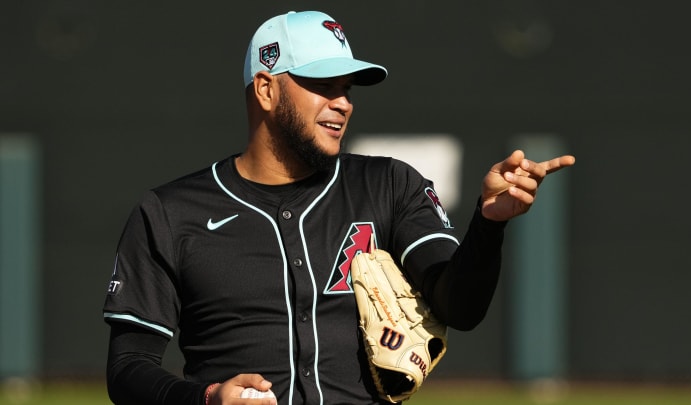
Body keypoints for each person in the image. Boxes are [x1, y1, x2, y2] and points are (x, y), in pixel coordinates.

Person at [102, 10, 575, 405]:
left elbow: (460, 306)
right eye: (323, 84)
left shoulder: (389, 185)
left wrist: (488, 225)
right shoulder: (170, 211)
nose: (343, 103)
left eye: (347, 87)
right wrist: (206, 398)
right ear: (266, 90)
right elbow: (128, 368)